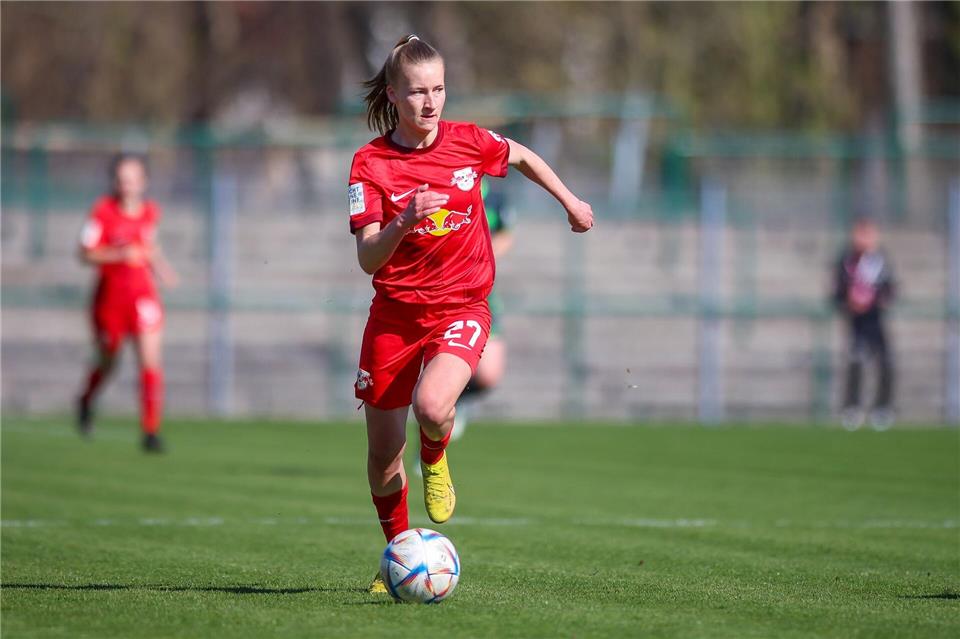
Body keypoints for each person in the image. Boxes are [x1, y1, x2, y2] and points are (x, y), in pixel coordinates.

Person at [348, 35, 593, 592]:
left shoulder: (467, 142)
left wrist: (572, 203)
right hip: (394, 317)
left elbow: (524, 156)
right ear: (393, 94)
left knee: (432, 406)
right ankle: (399, 554)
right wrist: (403, 221)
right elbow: (367, 257)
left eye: (438, 89)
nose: (431, 102)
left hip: (462, 305)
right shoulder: (371, 164)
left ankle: (435, 458)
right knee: (383, 459)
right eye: (417, 92)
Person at [75, 154, 178, 452]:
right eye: (122, 179)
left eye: (133, 179)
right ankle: (86, 400)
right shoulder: (102, 212)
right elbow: (84, 253)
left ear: (143, 182)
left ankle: (150, 431)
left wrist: (163, 269)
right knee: (110, 360)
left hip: (143, 295)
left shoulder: (150, 212)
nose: (127, 185)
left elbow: (149, 247)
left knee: (150, 359)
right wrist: (119, 254)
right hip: (109, 300)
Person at [449, 178, 514, 440]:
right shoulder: (443, 186)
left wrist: (481, 255)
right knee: (433, 392)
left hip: (480, 293)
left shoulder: (494, 197)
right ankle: (430, 435)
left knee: (488, 374)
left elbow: (506, 234)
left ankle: (456, 400)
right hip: (441, 292)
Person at [832, 217, 896, 430]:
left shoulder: (880, 260)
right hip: (857, 321)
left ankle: (882, 408)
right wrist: (849, 301)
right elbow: (837, 292)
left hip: (875, 319)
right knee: (855, 361)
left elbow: (890, 290)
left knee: (886, 361)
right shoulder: (846, 261)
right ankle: (852, 408)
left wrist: (878, 299)